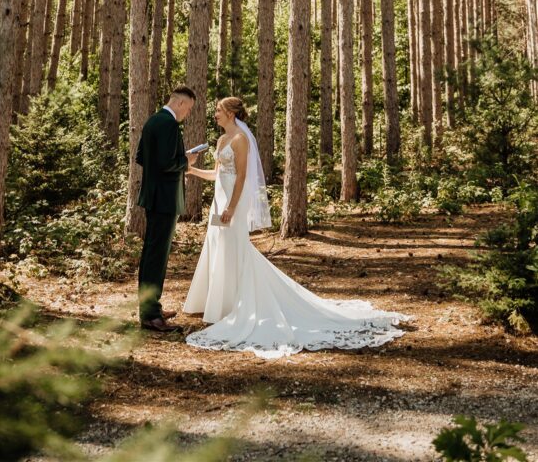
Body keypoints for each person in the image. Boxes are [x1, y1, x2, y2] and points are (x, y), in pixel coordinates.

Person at [183, 96, 409, 358]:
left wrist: (232, 207)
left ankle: (236, 303)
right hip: (219, 200)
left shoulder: (240, 140)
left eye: (219, 111)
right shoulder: (221, 141)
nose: (215, 115)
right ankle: (218, 303)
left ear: (232, 114)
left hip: (234, 201)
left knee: (235, 247)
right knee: (218, 246)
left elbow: (242, 177)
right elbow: (217, 175)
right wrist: (192, 171)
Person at [136, 85, 198, 332]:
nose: (188, 114)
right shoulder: (169, 124)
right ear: (180, 103)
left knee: (152, 254)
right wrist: (186, 160)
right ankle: (150, 314)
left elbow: (142, 157)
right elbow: (166, 164)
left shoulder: (153, 121)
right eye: (189, 109)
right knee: (156, 256)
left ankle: (151, 307)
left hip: (153, 196)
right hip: (164, 199)